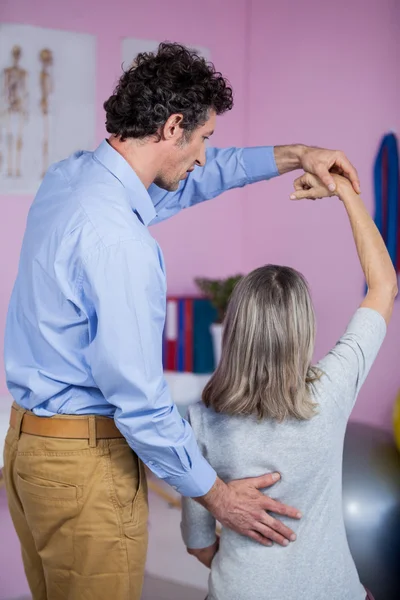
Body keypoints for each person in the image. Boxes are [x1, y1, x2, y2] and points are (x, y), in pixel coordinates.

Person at [3, 42, 360, 600]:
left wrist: (297, 154)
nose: (202, 156)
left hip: (29, 450)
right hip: (83, 466)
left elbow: (203, 178)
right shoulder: (120, 241)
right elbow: (141, 402)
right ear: (173, 127)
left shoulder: (72, 180)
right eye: (203, 139)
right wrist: (217, 496)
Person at [181, 171, 397, 600]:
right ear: (303, 331)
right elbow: (385, 284)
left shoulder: (201, 419)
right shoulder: (331, 390)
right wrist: (345, 194)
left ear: (236, 328)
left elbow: (200, 544)